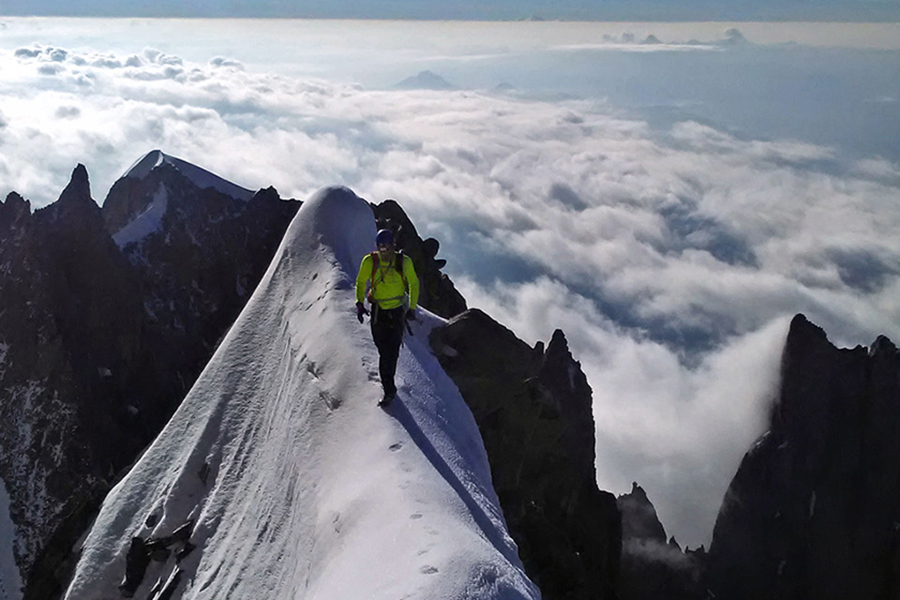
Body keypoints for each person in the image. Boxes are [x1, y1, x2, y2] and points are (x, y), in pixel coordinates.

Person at [355, 228, 419, 405]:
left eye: (387, 248)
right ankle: (389, 384)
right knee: (384, 350)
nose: (384, 252)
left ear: (393, 246)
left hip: (397, 312)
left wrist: (411, 308)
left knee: (390, 353)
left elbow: (414, 283)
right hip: (378, 311)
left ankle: (389, 390)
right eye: (381, 248)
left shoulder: (402, 262)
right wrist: (359, 303)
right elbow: (361, 282)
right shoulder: (370, 261)